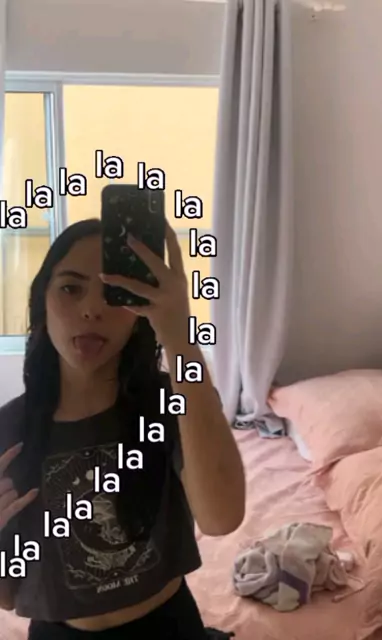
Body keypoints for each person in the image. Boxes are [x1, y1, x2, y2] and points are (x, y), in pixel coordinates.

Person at [0, 218, 245, 639]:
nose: (92, 310)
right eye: (71, 288)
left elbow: (222, 518)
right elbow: (7, 596)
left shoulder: (173, 401)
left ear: (138, 312)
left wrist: (179, 336)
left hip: (168, 626)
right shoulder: (9, 430)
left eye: (115, 294)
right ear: (42, 301)